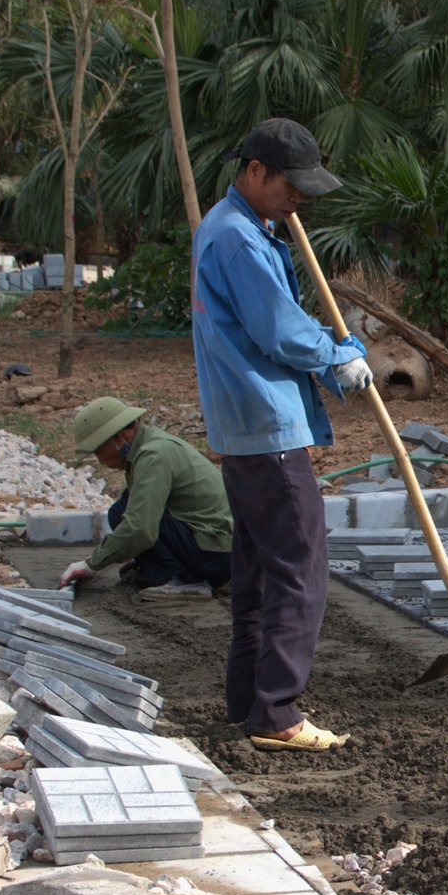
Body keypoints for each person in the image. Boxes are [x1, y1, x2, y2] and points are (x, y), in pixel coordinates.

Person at [192, 117, 373, 753]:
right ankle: (276, 713)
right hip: (264, 423)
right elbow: (277, 328)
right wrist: (335, 356)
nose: (300, 199)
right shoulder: (239, 239)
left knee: (261, 572)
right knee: (301, 565)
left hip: (245, 425)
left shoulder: (239, 227)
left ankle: (249, 699)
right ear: (254, 172)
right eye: (290, 185)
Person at [60, 398, 236, 598]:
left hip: (217, 554)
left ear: (117, 438)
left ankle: (187, 581)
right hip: (219, 547)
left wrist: (90, 565)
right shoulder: (149, 446)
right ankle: (175, 569)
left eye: (99, 451)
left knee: (130, 516)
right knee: (124, 507)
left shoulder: (153, 455)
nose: (101, 460)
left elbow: (139, 528)